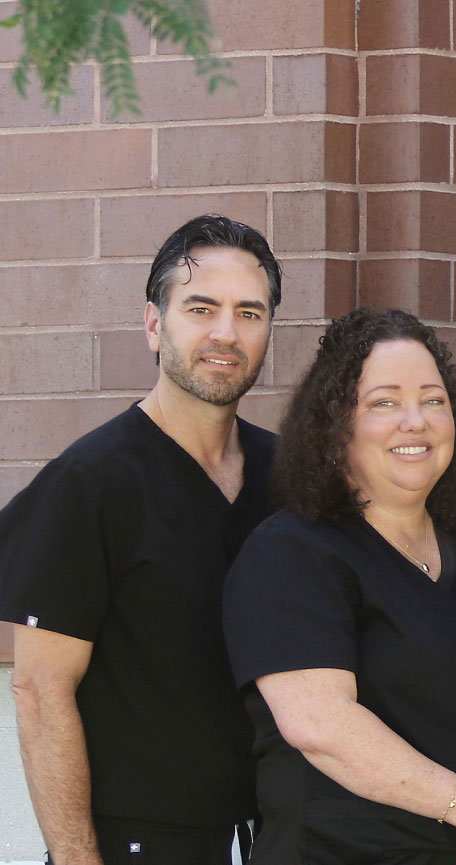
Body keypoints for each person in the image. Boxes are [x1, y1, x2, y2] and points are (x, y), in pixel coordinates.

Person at [223, 308, 456, 865]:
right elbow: (320, 725)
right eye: (384, 402)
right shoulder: (291, 553)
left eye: (433, 401)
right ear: (335, 428)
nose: (415, 421)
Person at [0, 215, 280, 865]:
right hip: (134, 847)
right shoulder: (91, 483)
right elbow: (41, 693)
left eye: (249, 312)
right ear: (154, 325)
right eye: (200, 307)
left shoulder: (289, 479)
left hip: (272, 838)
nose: (225, 332)